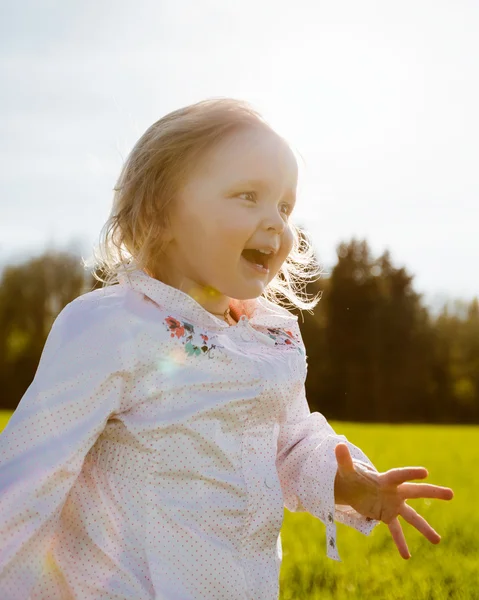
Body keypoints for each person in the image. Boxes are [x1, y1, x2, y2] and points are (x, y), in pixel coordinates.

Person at [0, 98, 454, 600]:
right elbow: (26, 481)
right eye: (247, 196)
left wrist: (347, 482)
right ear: (160, 213)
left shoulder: (270, 336)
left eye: (285, 206)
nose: (277, 224)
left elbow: (290, 441)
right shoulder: (111, 327)